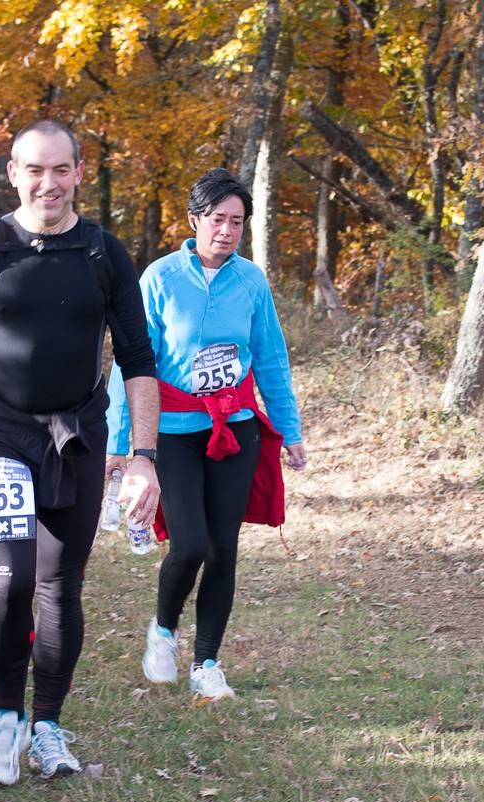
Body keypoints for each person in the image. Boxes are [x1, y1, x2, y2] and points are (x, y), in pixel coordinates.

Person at [0, 120, 161, 785]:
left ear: (80, 172)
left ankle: (48, 725)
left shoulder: (103, 254)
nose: (48, 184)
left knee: (60, 586)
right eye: (35, 170)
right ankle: (5, 721)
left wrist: (144, 456)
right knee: (10, 580)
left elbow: (140, 360)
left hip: (77, 434)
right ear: (13, 173)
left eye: (61, 170)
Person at [105, 167, 307, 702]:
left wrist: (289, 430)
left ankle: (208, 662)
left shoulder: (251, 281)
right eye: (217, 218)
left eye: (237, 221)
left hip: (235, 430)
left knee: (223, 550)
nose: (227, 230)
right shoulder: (159, 279)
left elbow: (270, 358)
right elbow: (132, 364)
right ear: (195, 219)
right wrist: (117, 443)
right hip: (172, 429)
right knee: (189, 544)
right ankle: (164, 630)